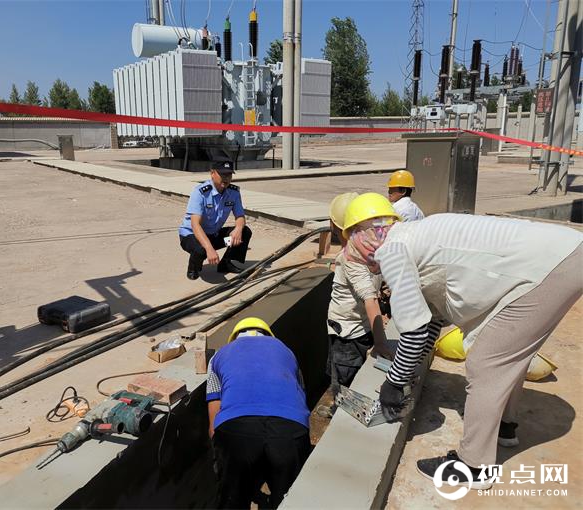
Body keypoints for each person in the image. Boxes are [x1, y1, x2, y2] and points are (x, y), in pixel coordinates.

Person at [340, 192, 582, 490]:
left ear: (358, 235)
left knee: (487, 361)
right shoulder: (414, 235)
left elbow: (413, 331)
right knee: (509, 354)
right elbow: (430, 319)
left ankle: (474, 467)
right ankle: (504, 427)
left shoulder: (392, 251)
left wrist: (394, 381)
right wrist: (411, 371)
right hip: (565, 255)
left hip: (549, 266)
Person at [206, 317, 310, 509]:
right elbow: (300, 395)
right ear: (269, 336)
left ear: (234, 338)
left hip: (235, 429)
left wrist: (224, 460)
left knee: (233, 502)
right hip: (290, 429)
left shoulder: (218, 356)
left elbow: (214, 416)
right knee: (289, 501)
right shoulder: (287, 352)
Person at [318, 192, 391, 418]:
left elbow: (369, 298)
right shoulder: (371, 252)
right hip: (359, 326)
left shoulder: (350, 258)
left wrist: (381, 343)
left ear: (339, 227)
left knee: (344, 374)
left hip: (348, 331)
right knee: (346, 370)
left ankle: (341, 412)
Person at [179, 161, 251, 280]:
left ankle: (226, 263)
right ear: (212, 173)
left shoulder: (233, 193)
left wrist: (238, 229)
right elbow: (195, 225)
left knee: (244, 232)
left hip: (214, 236)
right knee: (201, 249)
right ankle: (193, 267)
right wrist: (209, 248)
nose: (226, 178)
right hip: (191, 236)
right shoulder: (200, 192)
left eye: (229, 175)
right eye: (222, 174)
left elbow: (240, 216)